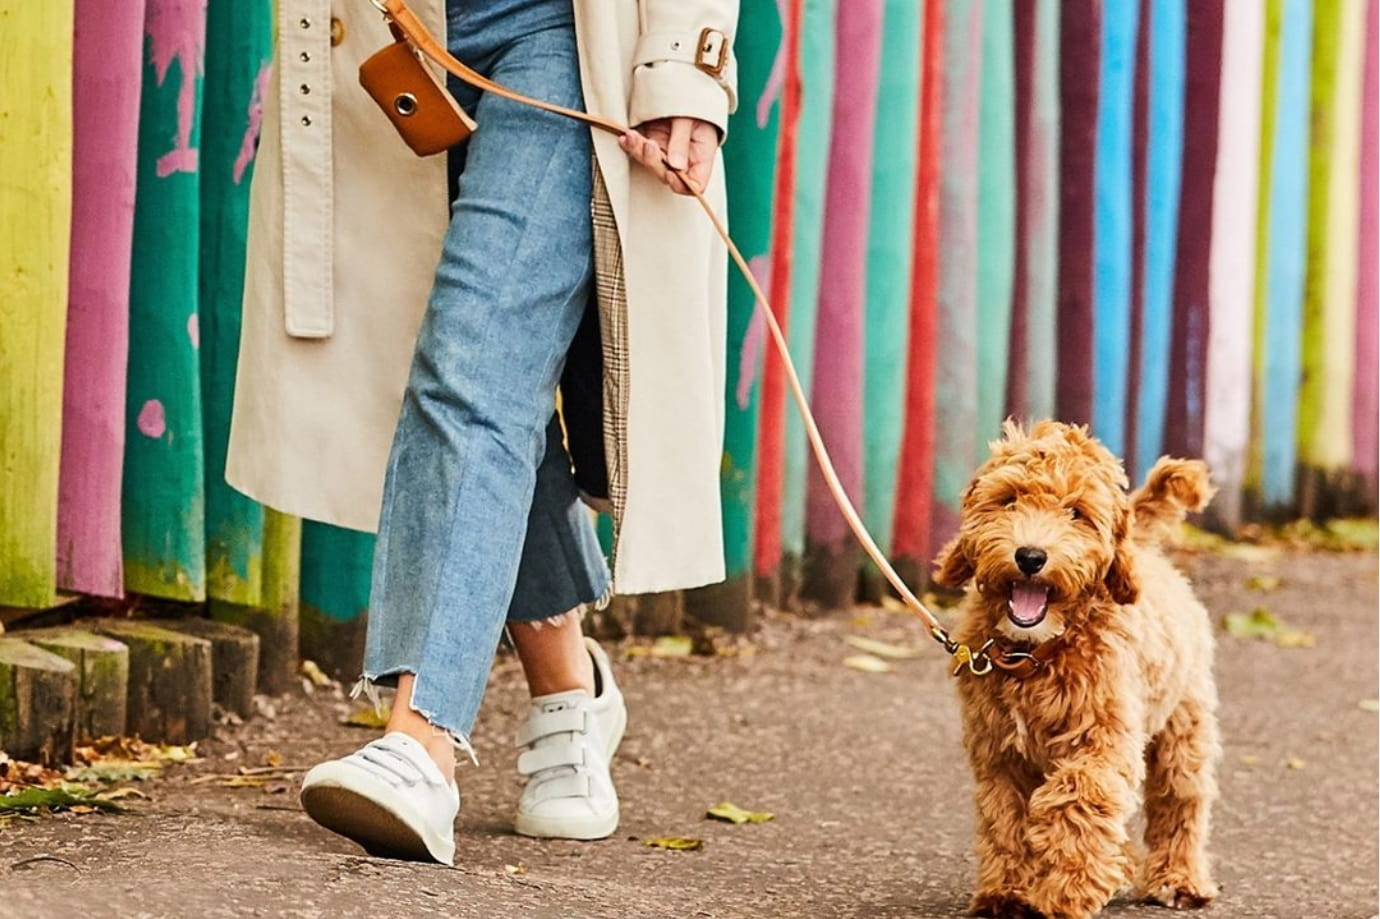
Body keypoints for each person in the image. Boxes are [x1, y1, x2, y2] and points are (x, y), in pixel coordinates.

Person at [226, 0, 739, 865]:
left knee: (475, 349)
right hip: (387, 28)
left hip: (565, 33)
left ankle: (418, 746)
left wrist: (686, 59)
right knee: (457, 359)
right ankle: (569, 689)